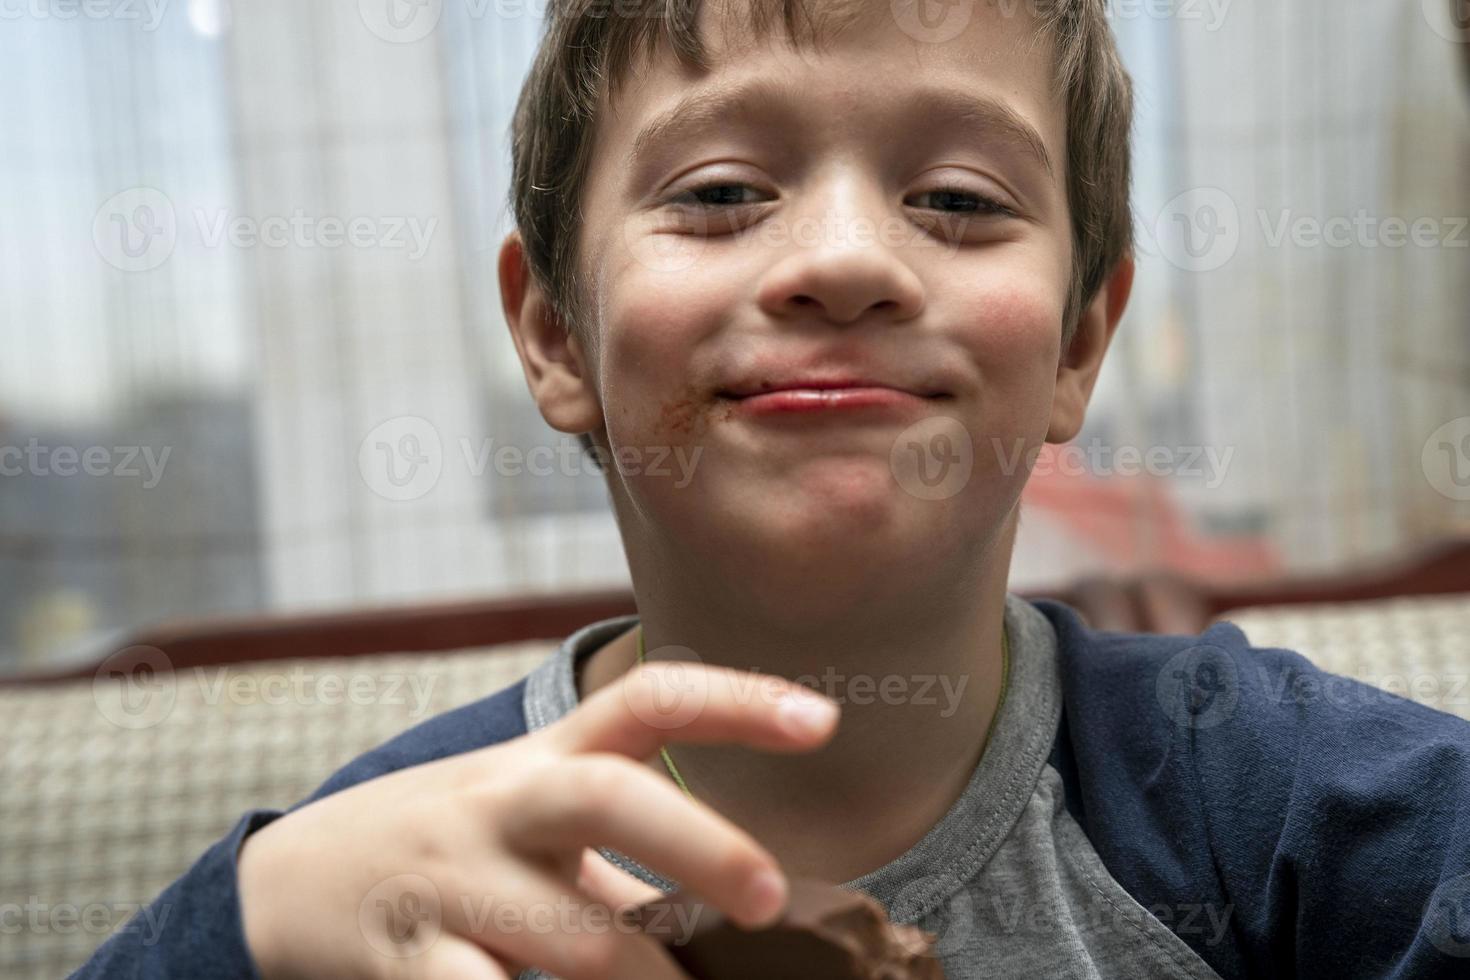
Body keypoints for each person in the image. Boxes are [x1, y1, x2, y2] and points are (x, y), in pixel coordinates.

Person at [74, 1, 1470, 977]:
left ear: (1078, 344)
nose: (848, 258)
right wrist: (248, 917)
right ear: (556, 331)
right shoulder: (415, 864)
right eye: (725, 188)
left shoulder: (1266, 801)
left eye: (962, 199)